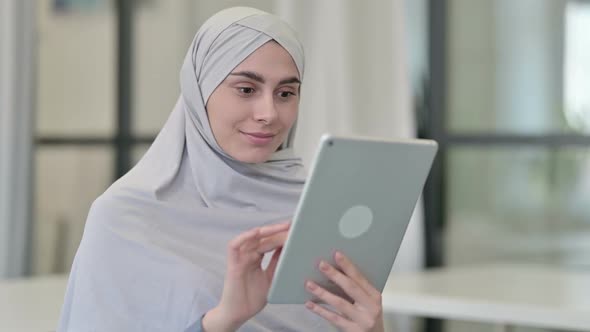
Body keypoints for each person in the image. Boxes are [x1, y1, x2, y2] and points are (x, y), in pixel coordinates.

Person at [57, 7, 385, 332]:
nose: (268, 113)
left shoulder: (315, 207)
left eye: (286, 93)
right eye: (246, 89)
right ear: (199, 90)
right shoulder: (126, 215)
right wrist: (223, 320)